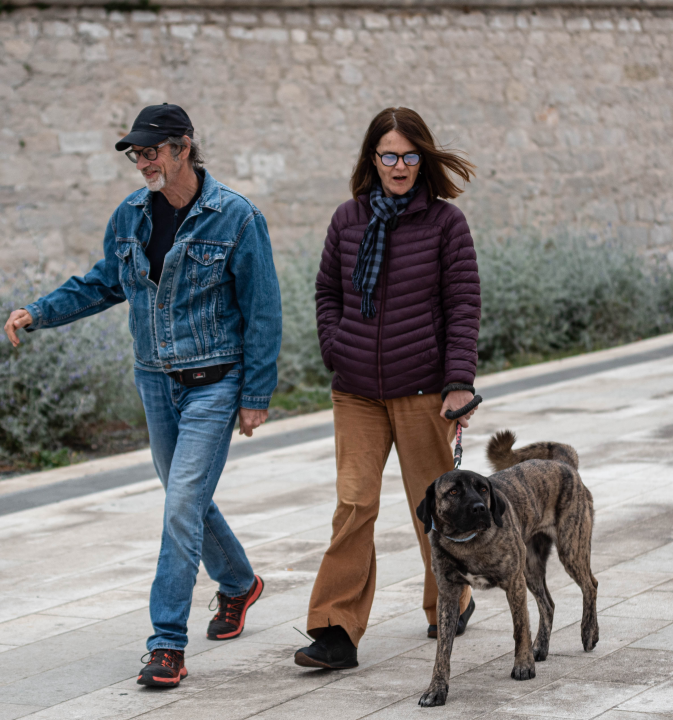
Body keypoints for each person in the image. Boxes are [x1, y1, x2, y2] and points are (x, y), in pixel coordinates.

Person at [3, 104, 282, 688]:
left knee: (180, 505)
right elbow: (104, 282)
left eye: (151, 151)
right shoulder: (130, 215)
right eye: (136, 154)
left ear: (184, 148)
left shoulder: (236, 217)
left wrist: (256, 393)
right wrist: (40, 311)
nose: (142, 163)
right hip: (155, 380)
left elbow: (262, 310)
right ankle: (239, 584)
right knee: (187, 499)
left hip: (214, 382)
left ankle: (166, 645)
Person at [293, 108, 481, 669]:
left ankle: (450, 600)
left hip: (423, 391)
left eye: (410, 155)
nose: (399, 166)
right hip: (356, 391)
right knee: (354, 504)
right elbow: (327, 291)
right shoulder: (347, 219)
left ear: (423, 159)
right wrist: (337, 346)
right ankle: (335, 630)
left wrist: (458, 384)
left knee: (436, 509)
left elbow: (463, 306)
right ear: (372, 159)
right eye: (389, 155)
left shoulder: (446, 224)